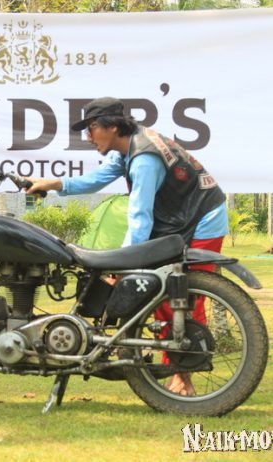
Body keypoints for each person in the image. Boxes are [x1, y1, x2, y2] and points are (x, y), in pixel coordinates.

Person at [26, 97, 228, 397]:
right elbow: (96, 179)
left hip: (201, 220)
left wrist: (120, 266)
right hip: (176, 221)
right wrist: (53, 184)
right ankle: (175, 373)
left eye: (92, 128)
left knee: (186, 296)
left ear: (112, 126)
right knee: (159, 297)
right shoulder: (128, 148)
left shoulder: (145, 158)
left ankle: (185, 378)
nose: (88, 137)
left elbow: (139, 220)